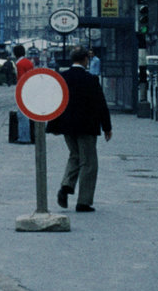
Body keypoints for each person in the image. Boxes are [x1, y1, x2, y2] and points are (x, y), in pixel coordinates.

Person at [48, 46, 113, 212]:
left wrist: (53, 125)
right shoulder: (91, 80)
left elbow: (55, 101)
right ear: (85, 60)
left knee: (75, 155)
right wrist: (107, 127)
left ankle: (66, 186)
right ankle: (84, 201)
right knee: (89, 162)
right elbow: (101, 104)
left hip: (67, 126)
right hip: (87, 126)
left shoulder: (63, 78)